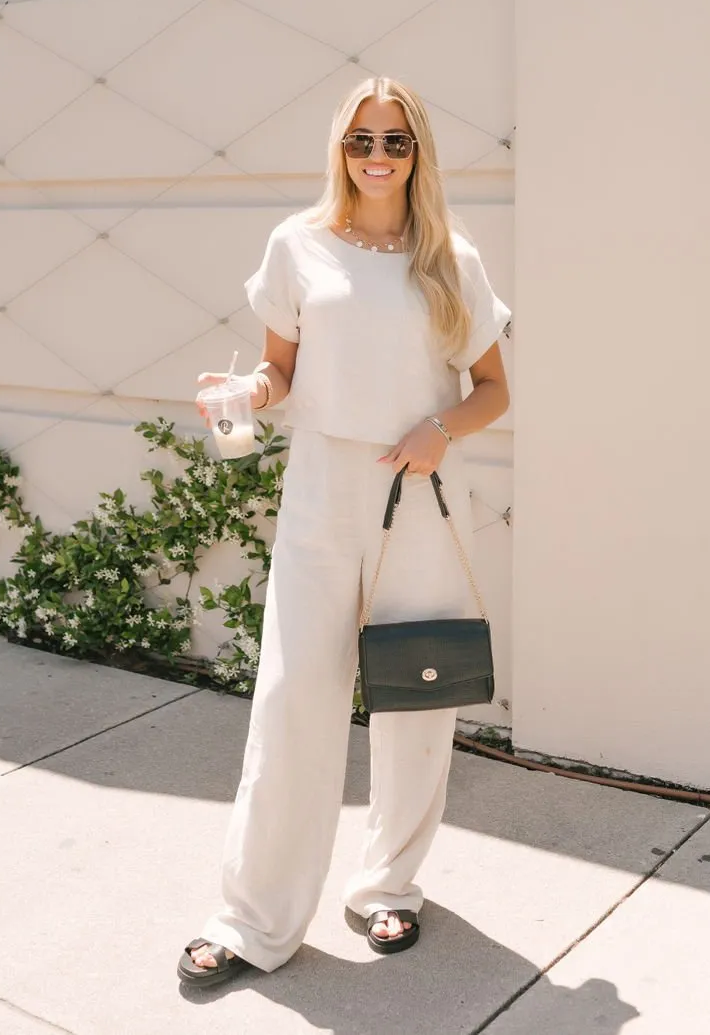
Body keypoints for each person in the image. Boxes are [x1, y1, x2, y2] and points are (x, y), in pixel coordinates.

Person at [178, 75, 511, 987]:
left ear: (418, 153)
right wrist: (248, 393)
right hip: (325, 486)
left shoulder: (450, 258)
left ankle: (388, 885)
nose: (376, 154)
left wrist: (436, 429)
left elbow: (494, 389)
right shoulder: (299, 244)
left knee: (417, 691)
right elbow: (282, 371)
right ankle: (252, 919)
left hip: (421, 496)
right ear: (341, 146)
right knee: (293, 699)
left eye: (395, 140)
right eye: (362, 137)